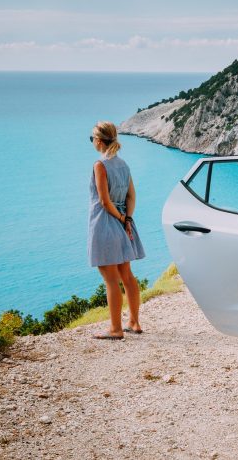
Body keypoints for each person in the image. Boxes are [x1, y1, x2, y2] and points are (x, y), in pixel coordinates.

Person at [87, 121, 146, 339]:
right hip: (124, 224)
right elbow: (131, 196)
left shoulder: (100, 165)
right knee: (127, 275)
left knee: (110, 278)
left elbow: (104, 201)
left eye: (92, 138)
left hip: (105, 224)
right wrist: (127, 219)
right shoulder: (124, 165)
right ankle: (134, 322)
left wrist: (120, 218)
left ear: (99, 141)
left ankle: (115, 329)